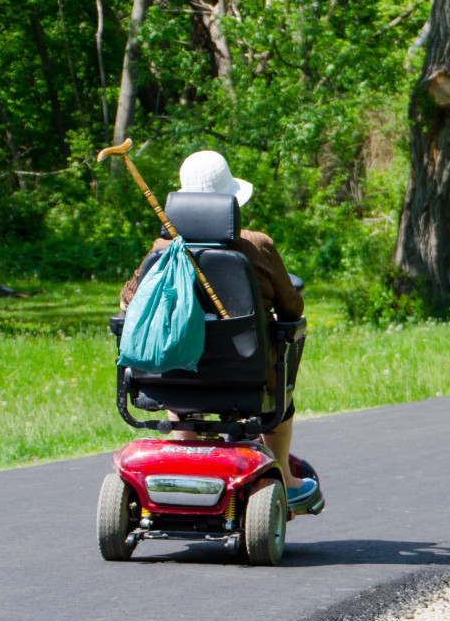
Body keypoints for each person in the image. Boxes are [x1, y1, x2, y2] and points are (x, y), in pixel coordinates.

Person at [119, 150, 318, 509]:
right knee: (281, 389)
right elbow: (293, 309)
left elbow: (127, 304)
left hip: (173, 374)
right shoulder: (257, 245)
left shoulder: (162, 251)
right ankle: (285, 480)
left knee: (181, 370)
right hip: (247, 374)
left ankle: (185, 454)